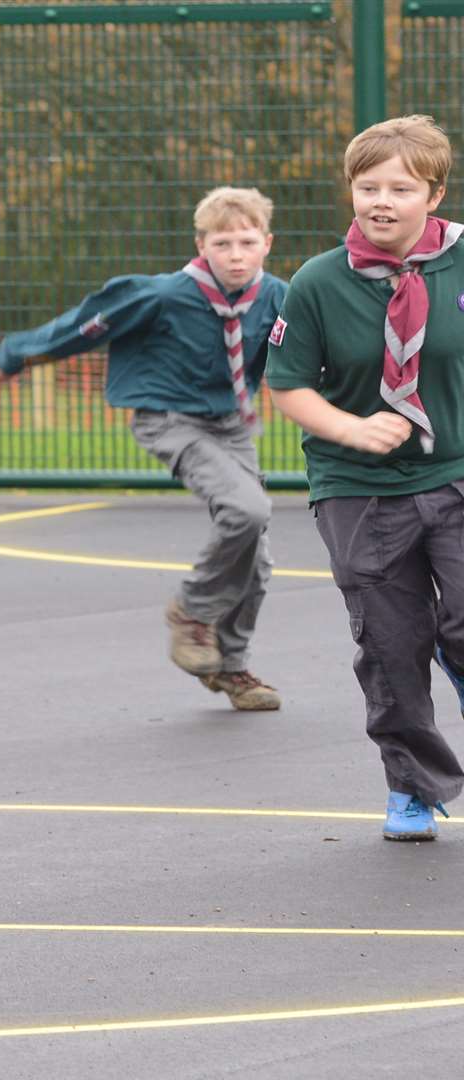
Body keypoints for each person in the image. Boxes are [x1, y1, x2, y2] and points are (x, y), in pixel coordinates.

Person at [0, 187, 287, 711]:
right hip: (169, 419)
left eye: (246, 242)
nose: (236, 255)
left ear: (267, 243)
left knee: (255, 556)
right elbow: (84, 326)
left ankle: (230, 665)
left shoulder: (278, 296)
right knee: (247, 508)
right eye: (223, 243)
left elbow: (320, 348)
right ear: (201, 245)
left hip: (232, 426)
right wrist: (18, 353)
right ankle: (192, 612)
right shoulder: (163, 294)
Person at [268, 115, 464, 841]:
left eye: (400, 188)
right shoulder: (319, 282)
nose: (381, 200)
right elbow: (288, 385)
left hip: (457, 468)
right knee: (389, 643)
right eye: (367, 185)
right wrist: (352, 428)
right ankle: (413, 787)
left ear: (433, 193)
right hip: (358, 484)